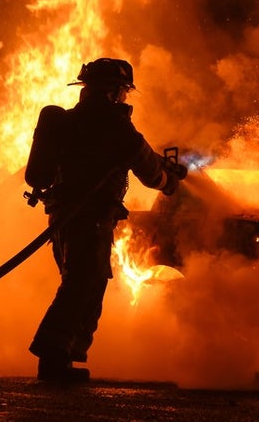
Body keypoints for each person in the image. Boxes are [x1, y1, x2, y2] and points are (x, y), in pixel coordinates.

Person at [25, 57, 185, 383]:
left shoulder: (68, 122)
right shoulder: (115, 126)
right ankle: (53, 355)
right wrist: (169, 182)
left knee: (85, 280)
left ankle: (65, 355)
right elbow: (148, 168)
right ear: (114, 92)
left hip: (62, 214)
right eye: (124, 92)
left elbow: (137, 154)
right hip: (91, 216)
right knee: (83, 280)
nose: (125, 98)